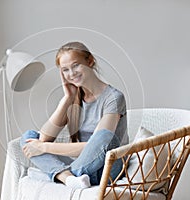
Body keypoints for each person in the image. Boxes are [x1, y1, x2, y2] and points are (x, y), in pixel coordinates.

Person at [20, 41, 128, 189]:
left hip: (107, 169)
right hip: (82, 167)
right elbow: (43, 138)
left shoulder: (114, 98)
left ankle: (56, 176)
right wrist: (67, 98)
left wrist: (44, 147)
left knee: (104, 136)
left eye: (76, 65)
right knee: (29, 137)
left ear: (90, 61)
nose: (71, 73)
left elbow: (95, 147)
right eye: (65, 70)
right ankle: (69, 179)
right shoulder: (74, 98)